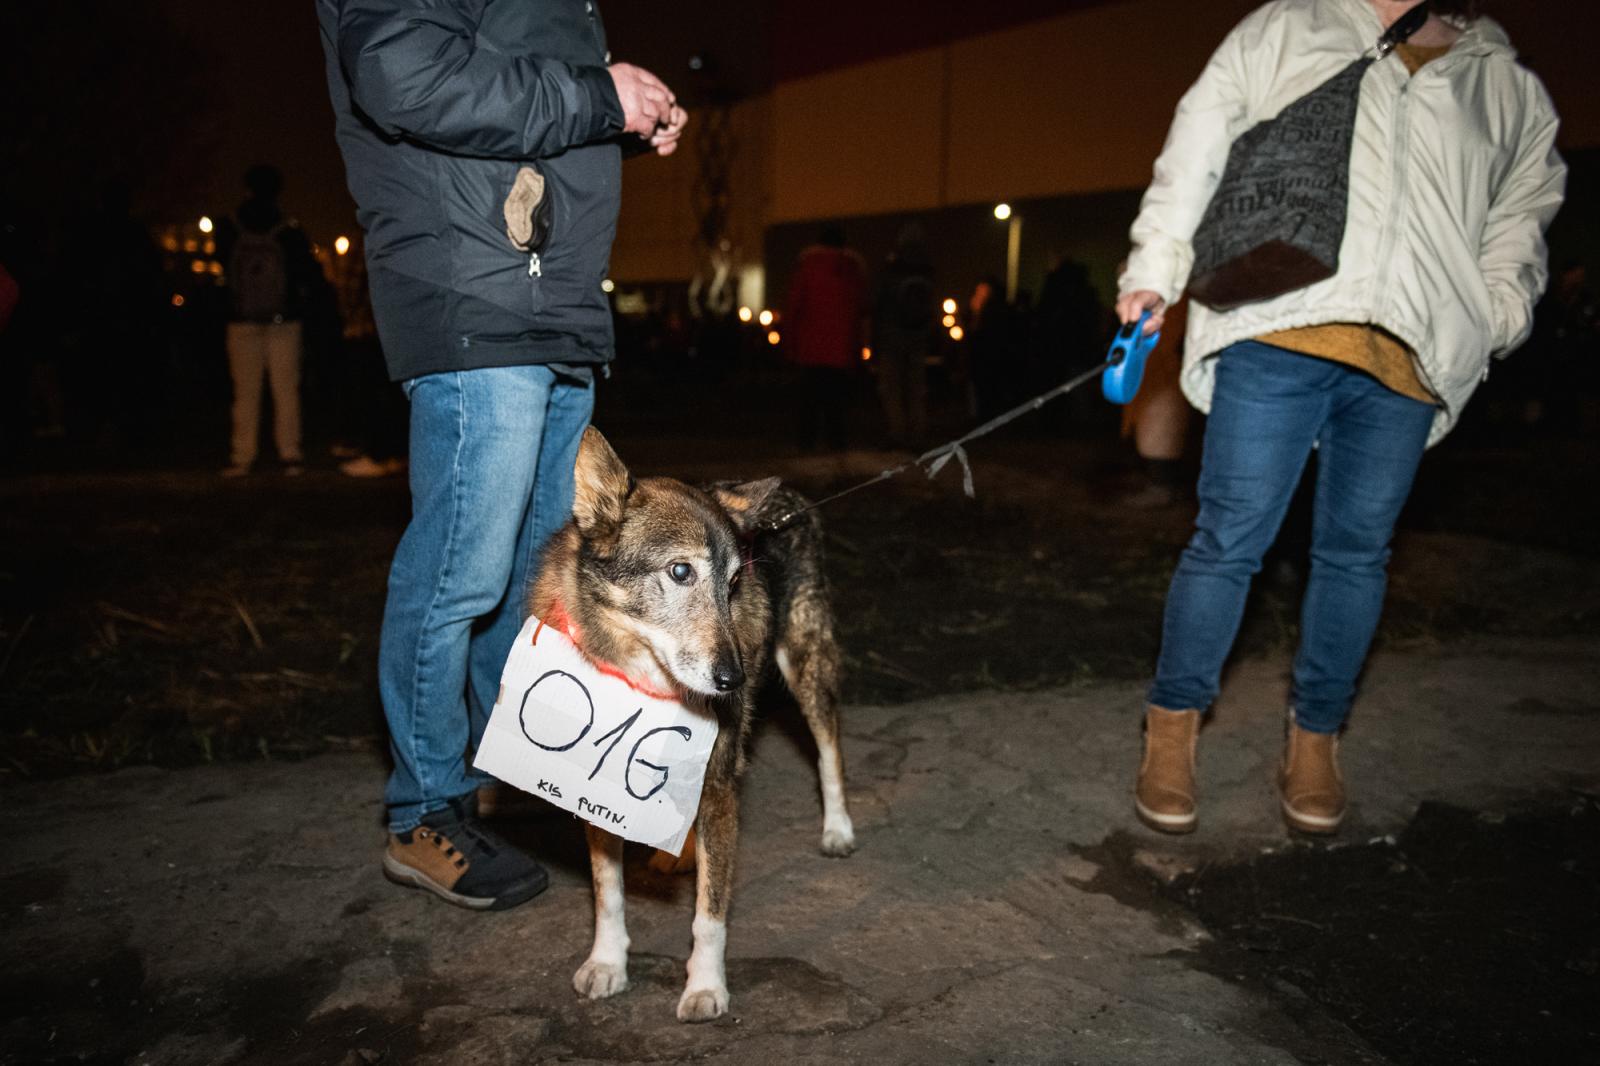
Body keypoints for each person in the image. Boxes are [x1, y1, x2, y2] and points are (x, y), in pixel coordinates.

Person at [1118, 0, 1564, 835]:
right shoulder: (1291, 26)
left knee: (1357, 556)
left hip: (1409, 352)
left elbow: (1520, 217)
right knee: (1230, 538)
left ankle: (1316, 736)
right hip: (1276, 325)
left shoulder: (1504, 84)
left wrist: (1495, 315)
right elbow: (1197, 149)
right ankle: (1172, 728)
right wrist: (1155, 268)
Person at [318, 0, 687, 910]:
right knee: (459, 576)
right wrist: (596, 93)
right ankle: (423, 813)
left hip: (541, 298)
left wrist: (617, 114)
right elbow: (401, 72)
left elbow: (505, 81)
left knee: (533, 575)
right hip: (474, 293)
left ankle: (503, 775)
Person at [216, 165, 323, 477]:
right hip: (284, 321)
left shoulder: (231, 227)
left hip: (241, 320)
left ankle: (242, 455)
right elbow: (305, 274)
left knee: (245, 392)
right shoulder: (288, 230)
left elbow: (223, 270)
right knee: (286, 390)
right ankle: (290, 454)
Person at [784, 225, 867, 451]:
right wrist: (856, 349)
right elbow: (858, 311)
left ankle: (806, 445)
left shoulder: (807, 267)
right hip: (840, 351)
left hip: (810, 348)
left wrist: (790, 345)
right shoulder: (852, 270)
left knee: (809, 402)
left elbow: (794, 308)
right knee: (836, 404)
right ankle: (837, 447)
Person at [870, 224, 936, 449]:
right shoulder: (928, 270)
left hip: (892, 336)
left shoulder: (892, 268)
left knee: (891, 386)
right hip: (918, 337)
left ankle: (897, 431)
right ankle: (918, 432)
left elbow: (878, 303)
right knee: (916, 387)